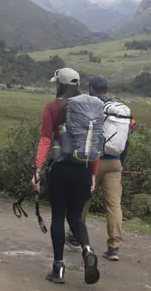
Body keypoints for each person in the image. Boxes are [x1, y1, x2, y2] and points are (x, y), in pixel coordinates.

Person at [32, 68, 101, 285]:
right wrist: (92, 175)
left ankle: (58, 268)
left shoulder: (52, 108)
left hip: (60, 168)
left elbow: (45, 140)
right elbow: (95, 143)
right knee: (76, 216)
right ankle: (88, 249)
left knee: (59, 216)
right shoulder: (91, 109)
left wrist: (37, 169)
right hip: (84, 167)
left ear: (59, 85)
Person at [67, 75, 136, 261]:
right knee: (114, 205)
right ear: (106, 89)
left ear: (91, 88)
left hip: (94, 161)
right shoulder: (120, 110)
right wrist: (120, 162)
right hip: (115, 163)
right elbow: (127, 139)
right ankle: (114, 247)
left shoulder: (91, 106)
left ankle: (74, 237)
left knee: (83, 199)